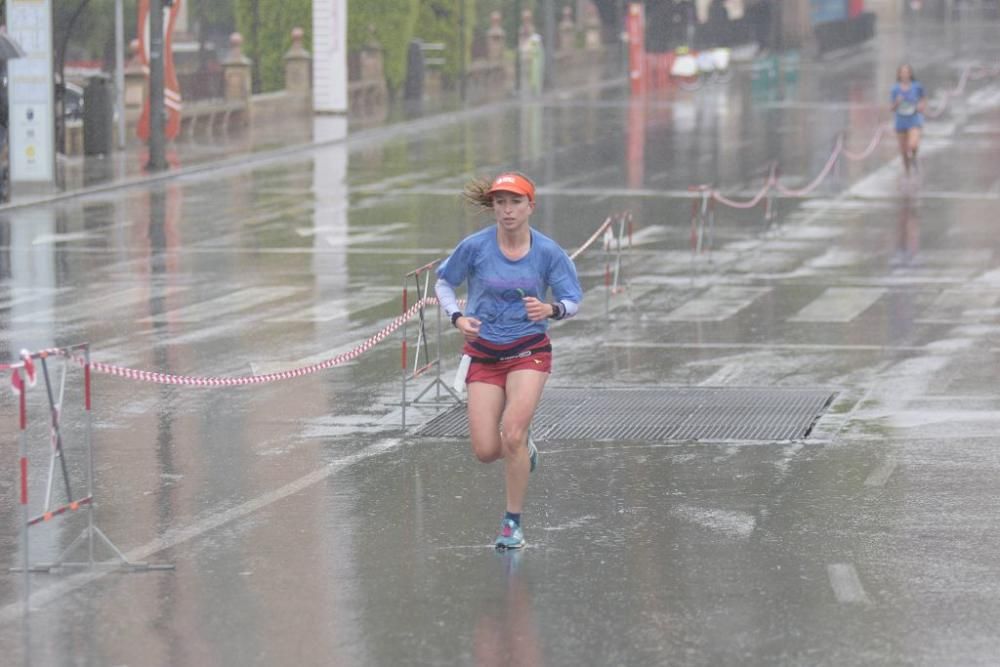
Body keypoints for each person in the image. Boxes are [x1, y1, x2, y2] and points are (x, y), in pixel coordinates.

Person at [435, 172, 583, 549]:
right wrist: (457, 317)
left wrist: (549, 309)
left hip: (528, 350)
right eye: (500, 202)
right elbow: (443, 282)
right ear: (493, 208)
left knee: (511, 433)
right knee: (486, 450)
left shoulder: (548, 252)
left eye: (515, 202)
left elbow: (572, 300)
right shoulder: (476, 247)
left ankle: (512, 524)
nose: (507, 210)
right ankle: (522, 448)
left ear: (530, 206)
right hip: (484, 352)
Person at [890, 64, 926, 177]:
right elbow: (891, 108)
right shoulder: (895, 89)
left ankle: (914, 157)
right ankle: (907, 172)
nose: (905, 74)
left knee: (913, 144)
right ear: (899, 74)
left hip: (914, 119)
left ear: (910, 74)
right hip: (901, 121)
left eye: (907, 72)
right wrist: (897, 102)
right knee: (904, 151)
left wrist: (921, 105)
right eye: (902, 72)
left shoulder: (917, 87)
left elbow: (923, 99)